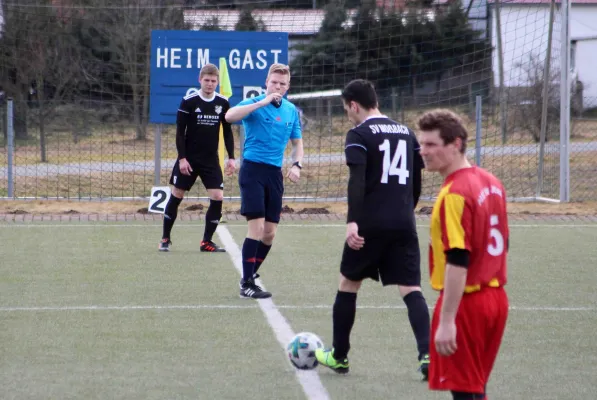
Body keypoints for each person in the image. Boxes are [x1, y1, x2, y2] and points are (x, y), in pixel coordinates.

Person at [314, 79, 431, 378]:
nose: (348, 115)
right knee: (412, 289)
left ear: (354, 105)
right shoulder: (407, 133)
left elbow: (357, 181)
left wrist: (352, 221)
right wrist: (406, 209)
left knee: (348, 284)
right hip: (404, 222)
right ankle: (428, 356)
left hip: (369, 225)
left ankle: (339, 357)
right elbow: (416, 182)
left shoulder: (359, 133)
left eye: (346, 109)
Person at [417, 109, 509, 400]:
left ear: (455, 144)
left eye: (431, 145)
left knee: (465, 393)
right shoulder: (492, 182)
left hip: (468, 302)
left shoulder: (455, 192)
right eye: (422, 144)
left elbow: (458, 258)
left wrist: (447, 321)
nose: (423, 151)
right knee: (476, 388)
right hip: (496, 300)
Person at [225, 63, 303, 299]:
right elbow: (229, 116)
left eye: (282, 84)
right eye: (274, 82)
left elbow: (297, 143)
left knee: (269, 234)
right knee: (256, 228)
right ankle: (247, 283)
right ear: (266, 82)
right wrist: (261, 102)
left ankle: (248, 274)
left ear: (287, 87)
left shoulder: (291, 110)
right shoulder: (255, 103)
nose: (277, 87)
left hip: (274, 174)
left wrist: (296, 165)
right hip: (252, 170)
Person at [159, 63, 236, 253]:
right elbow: (179, 133)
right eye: (206, 80)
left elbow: (227, 132)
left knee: (217, 196)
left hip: (211, 160)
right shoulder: (189, 101)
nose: (210, 84)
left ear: (217, 82)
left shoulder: (223, 103)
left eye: (213, 81)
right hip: (189, 159)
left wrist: (232, 157)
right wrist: (182, 158)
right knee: (177, 194)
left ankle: (206, 242)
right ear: (199, 80)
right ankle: (165, 238)